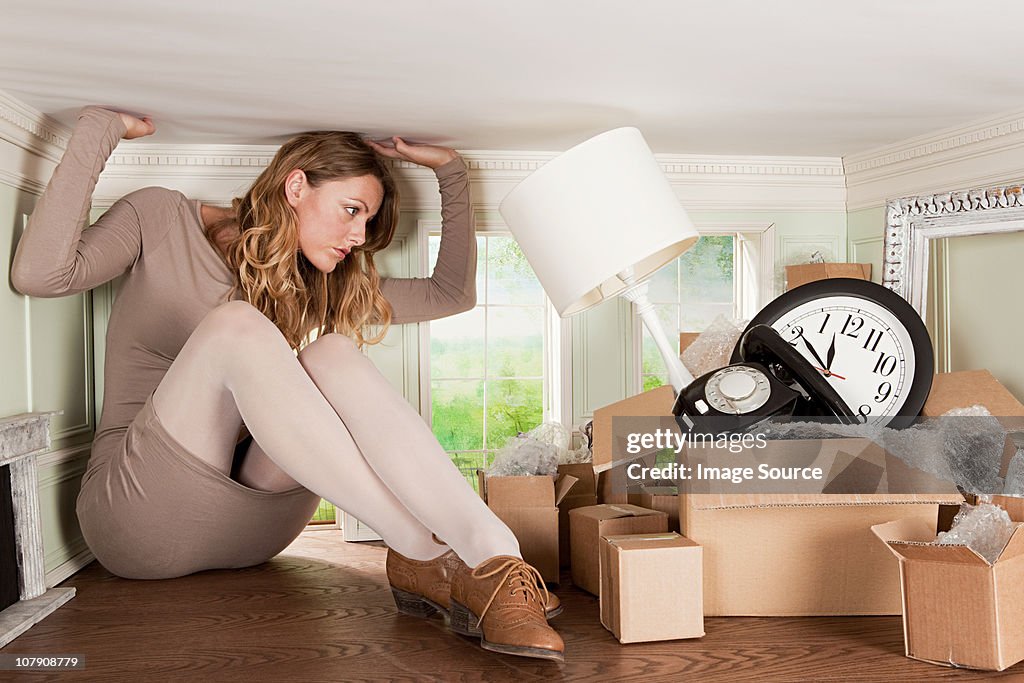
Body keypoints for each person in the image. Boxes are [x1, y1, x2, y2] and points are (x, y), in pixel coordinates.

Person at [10, 106, 564, 662]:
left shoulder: (317, 278)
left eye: (366, 221)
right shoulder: (161, 218)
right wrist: (99, 132)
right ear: (296, 185)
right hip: (141, 516)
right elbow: (40, 275)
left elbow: (450, 296)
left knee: (332, 352)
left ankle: (492, 557)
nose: (357, 234)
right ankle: (422, 549)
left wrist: (453, 173)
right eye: (351, 210)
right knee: (236, 324)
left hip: (259, 529)